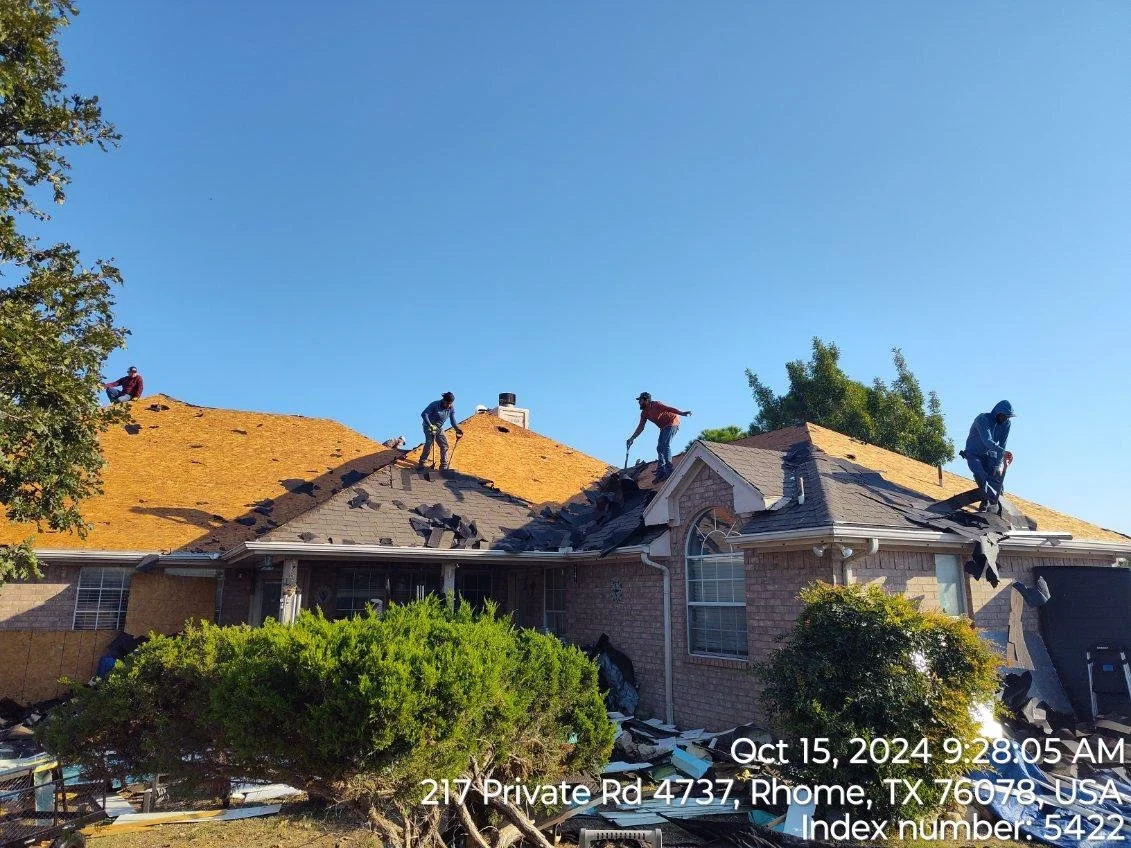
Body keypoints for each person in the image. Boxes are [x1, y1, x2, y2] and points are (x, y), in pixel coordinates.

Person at [627, 392, 692, 481]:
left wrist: (682, 413)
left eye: (640, 400)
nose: (639, 403)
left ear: (646, 400)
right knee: (659, 448)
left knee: (665, 444)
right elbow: (641, 427)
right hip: (663, 427)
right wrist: (632, 437)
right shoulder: (644, 413)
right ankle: (661, 471)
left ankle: (669, 468)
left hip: (672, 423)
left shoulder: (656, 404)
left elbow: (669, 409)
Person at [963, 400, 1015, 507]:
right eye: (1003, 416)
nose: (1005, 419)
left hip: (990, 454)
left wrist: (998, 465)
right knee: (980, 473)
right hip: (974, 453)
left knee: (996, 475)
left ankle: (997, 505)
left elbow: (1003, 444)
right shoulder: (982, 419)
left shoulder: (1006, 424)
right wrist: (1003, 451)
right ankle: (985, 500)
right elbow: (987, 440)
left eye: (1007, 417)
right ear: (997, 413)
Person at [418, 392, 464, 470]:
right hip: (428, 426)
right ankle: (422, 462)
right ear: (443, 400)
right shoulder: (435, 405)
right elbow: (424, 414)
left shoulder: (451, 408)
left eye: (450, 403)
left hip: (439, 428)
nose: (449, 405)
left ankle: (443, 466)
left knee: (444, 445)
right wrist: (431, 426)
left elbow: (452, 421)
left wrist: (457, 429)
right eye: (448, 403)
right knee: (429, 442)